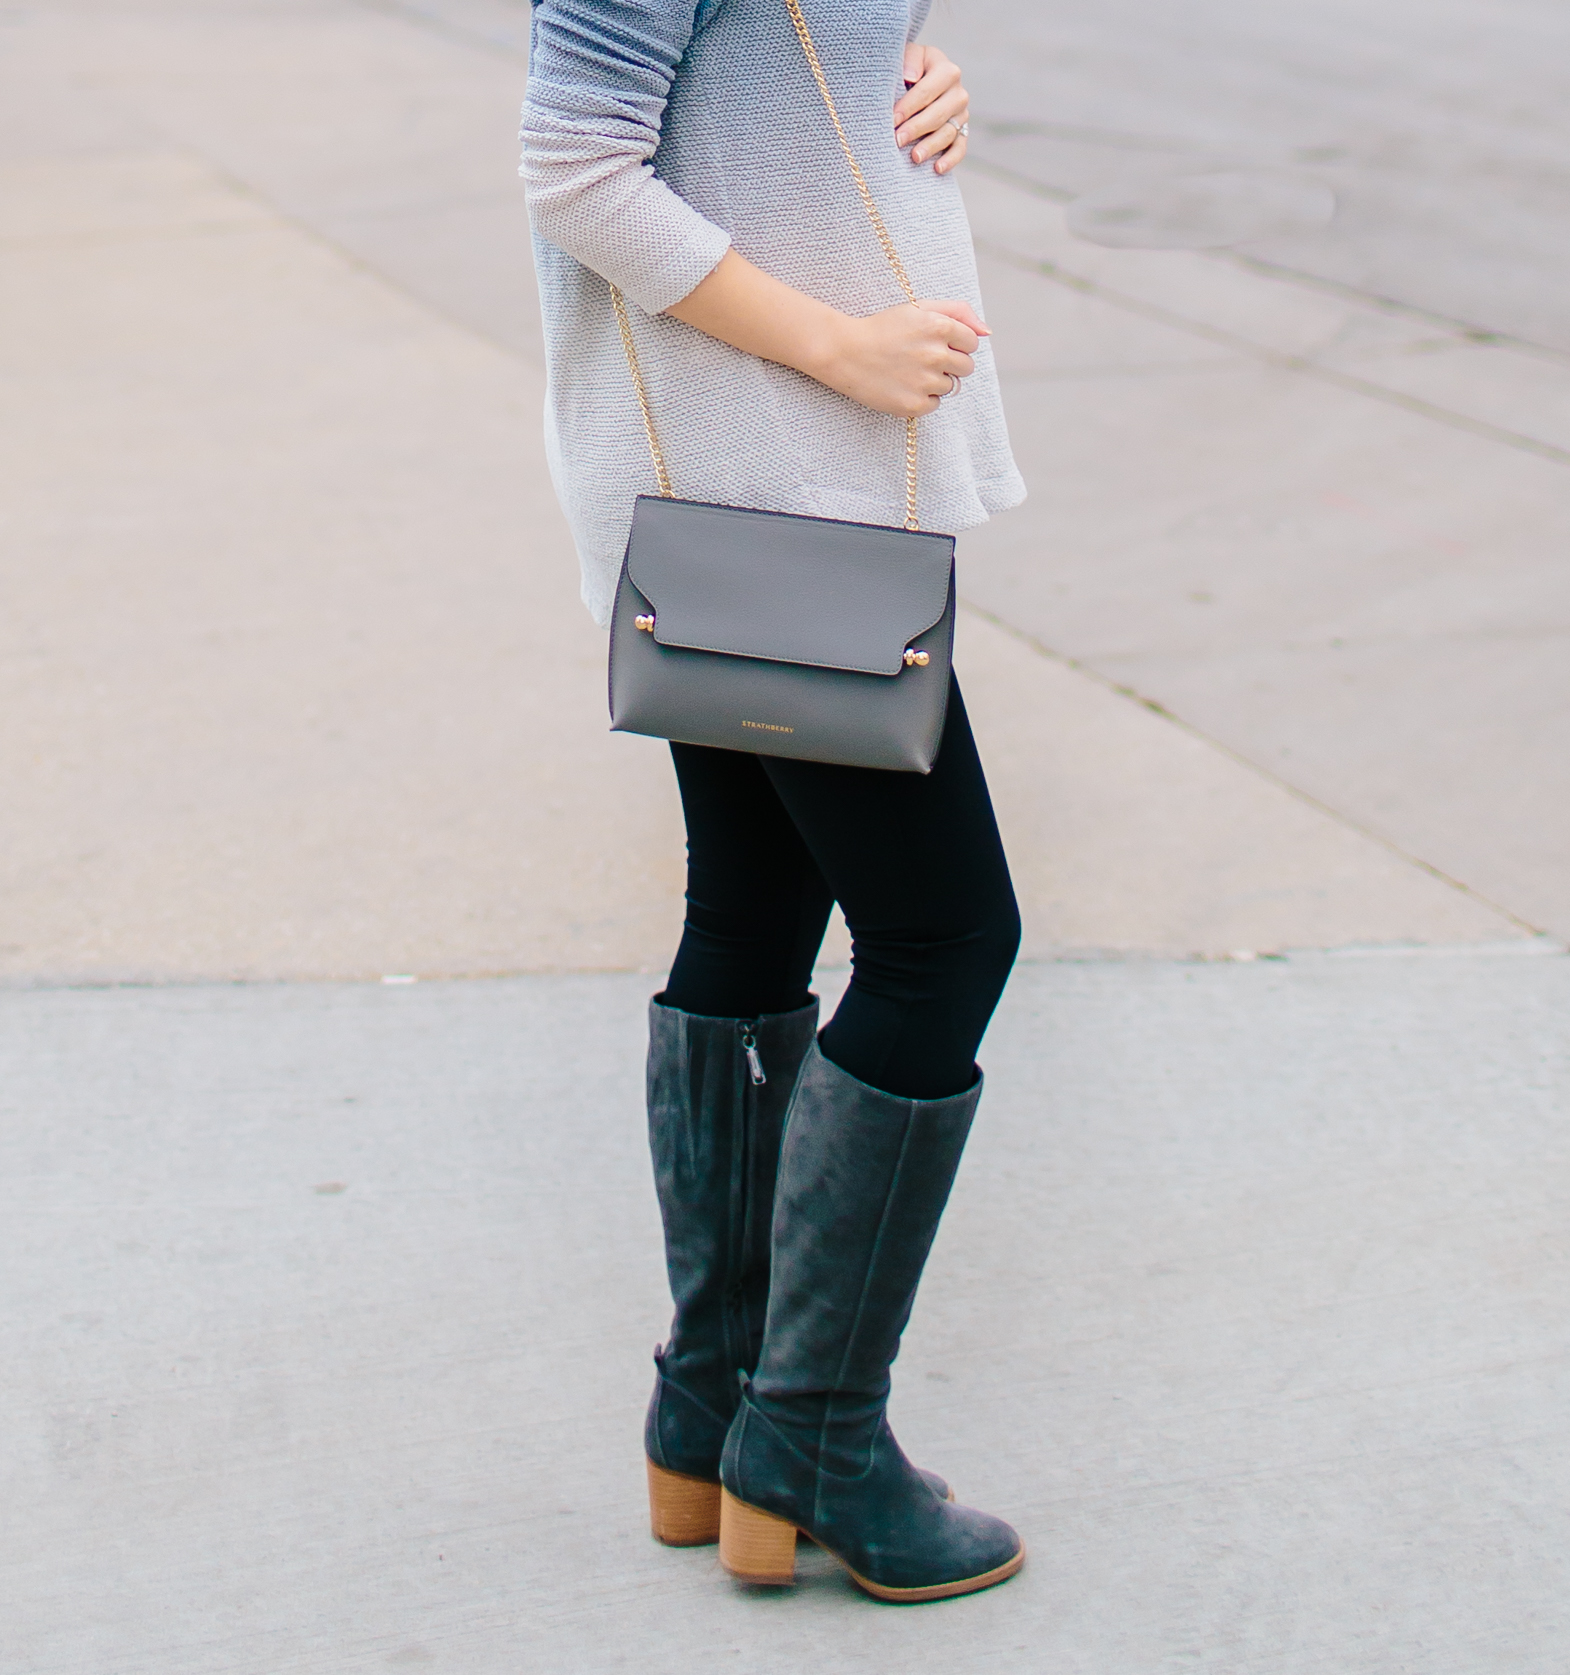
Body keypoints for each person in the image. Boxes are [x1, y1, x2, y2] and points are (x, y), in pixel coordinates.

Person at [521, 0, 1026, 1604]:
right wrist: (843, 343)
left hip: (755, 491)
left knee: (753, 912)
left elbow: (750, 83)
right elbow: (577, 162)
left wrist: (914, 80)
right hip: (781, 481)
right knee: (947, 939)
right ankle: (807, 1434)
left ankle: (715, 1416)